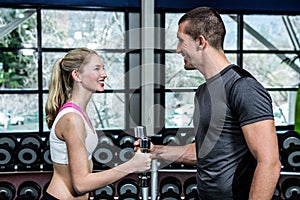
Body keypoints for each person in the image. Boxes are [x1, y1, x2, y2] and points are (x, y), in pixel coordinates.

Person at [139, 7, 281, 200]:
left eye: (181, 41)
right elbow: (202, 152)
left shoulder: (243, 87)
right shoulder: (203, 92)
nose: (177, 49)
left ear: (200, 42)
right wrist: (156, 151)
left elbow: (269, 162)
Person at [43, 48, 151, 200]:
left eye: (103, 68)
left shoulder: (80, 112)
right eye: (96, 69)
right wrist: (132, 165)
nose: (104, 74)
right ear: (77, 75)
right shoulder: (72, 118)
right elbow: (81, 184)